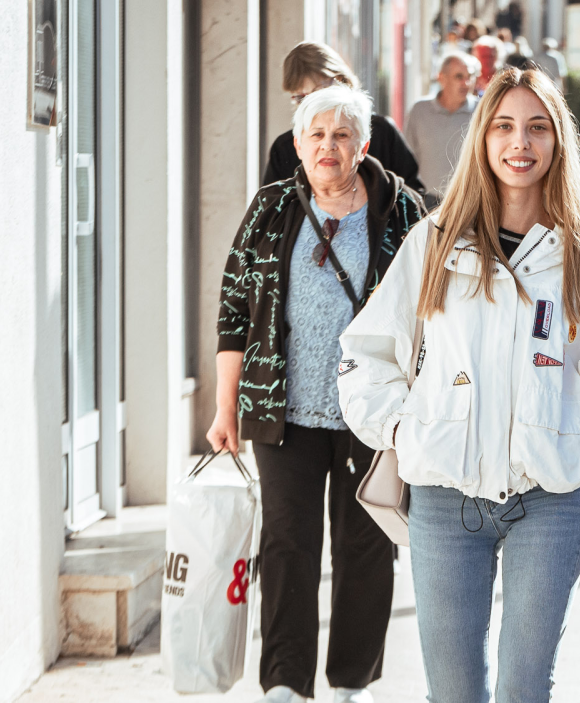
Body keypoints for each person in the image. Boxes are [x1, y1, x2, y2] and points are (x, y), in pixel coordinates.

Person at [337, 67, 580, 702]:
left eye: (538, 128)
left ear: (558, 142)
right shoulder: (434, 242)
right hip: (444, 500)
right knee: (453, 693)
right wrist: (406, 428)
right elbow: (365, 355)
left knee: (524, 688)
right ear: (482, 139)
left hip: (550, 501)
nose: (520, 143)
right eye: (505, 126)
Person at [209, 84, 427, 703]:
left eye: (341, 135)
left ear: (362, 145)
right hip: (283, 412)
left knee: (364, 548)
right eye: (316, 135)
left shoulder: (401, 210)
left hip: (373, 415)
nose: (327, 146)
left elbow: (434, 310)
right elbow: (233, 308)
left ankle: (350, 682)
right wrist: (226, 408)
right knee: (286, 546)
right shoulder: (272, 207)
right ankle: (284, 682)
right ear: (298, 144)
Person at [262, 42, 424, 194]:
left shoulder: (382, 132)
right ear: (298, 147)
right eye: (301, 98)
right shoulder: (284, 148)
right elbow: (270, 212)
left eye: (317, 93)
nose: (312, 105)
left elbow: (414, 198)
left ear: (340, 80)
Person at [405, 51, 479, 208]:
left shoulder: (482, 111)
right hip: (426, 201)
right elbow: (407, 157)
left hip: (468, 201)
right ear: (441, 78)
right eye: (459, 76)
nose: (466, 83)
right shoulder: (420, 110)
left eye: (470, 76)